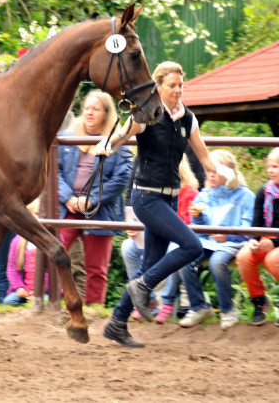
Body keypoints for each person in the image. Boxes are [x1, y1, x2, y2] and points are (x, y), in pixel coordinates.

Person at [99, 61, 228, 348]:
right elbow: (124, 133)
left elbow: (205, 160)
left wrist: (223, 172)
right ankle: (143, 287)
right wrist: (109, 144)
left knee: (150, 263)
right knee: (192, 246)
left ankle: (116, 323)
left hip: (168, 197)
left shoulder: (187, 118)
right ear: (158, 86)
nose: (178, 90)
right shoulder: (148, 113)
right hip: (145, 196)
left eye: (181, 85)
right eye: (172, 85)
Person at [57, 90, 132, 305]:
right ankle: (59, 304)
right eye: (87, 108)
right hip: (69, 209)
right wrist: (68, 198)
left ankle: (94, 312)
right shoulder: (68, 138)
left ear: (106, 113)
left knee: (96, 269)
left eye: (95, 109)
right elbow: (54, 171)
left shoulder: (117, 142)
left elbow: (122, 177)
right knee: (54, 254)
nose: (89, 113)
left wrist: (91, 200)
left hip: (98, 211)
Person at [177, 149, 254, 330]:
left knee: (217, 263)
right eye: (208, 170)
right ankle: (199, 307)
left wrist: (228, 235)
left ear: (230, 174)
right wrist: (196, 217)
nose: (210, 175)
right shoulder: (204, 194)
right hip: (208, 243)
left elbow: (248, 228)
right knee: (182, 260)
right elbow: (200, 231)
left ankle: (228, 309)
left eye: (215, 172)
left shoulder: (245, 195)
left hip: (233, 243)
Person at [152, 154, 199, 324]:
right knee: (131, 248)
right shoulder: (161, 192)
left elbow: (191, 222)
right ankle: (148, 298)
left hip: (181, 237)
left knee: (173, 252)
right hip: (165, 234)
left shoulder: (190, 192)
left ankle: (167, 301)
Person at [236, 147, 279, 326]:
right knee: (244, 257)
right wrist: (253, 240)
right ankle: (259, 302)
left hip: (275, 241)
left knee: (272, 260)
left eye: (276, 167)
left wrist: (274, 242)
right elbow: (256, 223)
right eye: (269, 166)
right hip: (267, 238)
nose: (270, 170)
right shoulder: (265, 191)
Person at [3, 199, 49, 306]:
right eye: (37, 214)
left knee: (45, 302)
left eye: (42, 215)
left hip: (45, 292)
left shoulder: (53, 240)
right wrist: (19, 288)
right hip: (25, 292)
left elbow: (54, 273)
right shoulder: (17, 241)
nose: (39, 218)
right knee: (8, 302)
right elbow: (12, 269)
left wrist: (39, 291)